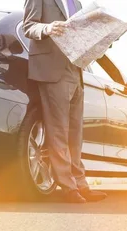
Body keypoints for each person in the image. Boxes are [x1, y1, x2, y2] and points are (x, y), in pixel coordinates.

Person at [23, 0, 107, 203]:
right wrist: (48, 27)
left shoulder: (76, 3)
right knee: (59, 131)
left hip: (76, 70)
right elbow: (28, 26)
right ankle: (68, 187)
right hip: (52, 70)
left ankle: (81, 185)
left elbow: (82, 34)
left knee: (75, 134)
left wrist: (105, 36)